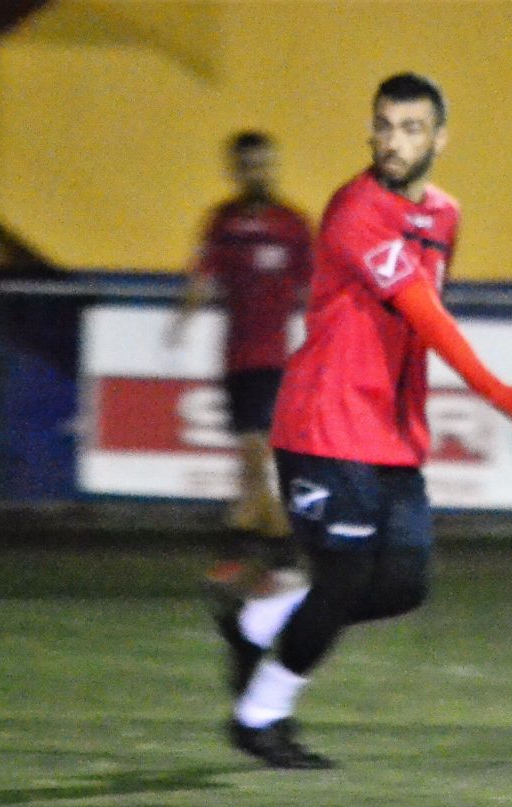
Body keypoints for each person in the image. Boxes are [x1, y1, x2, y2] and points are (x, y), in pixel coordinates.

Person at [214, 73, 512, 769]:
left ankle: (260, 617)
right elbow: (428, 317)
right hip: (326, 425)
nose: (393, 141)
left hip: (393, 436)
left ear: (439, 139)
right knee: (343, 579)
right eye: (384, 126)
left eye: (410, 128)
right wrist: (503, 396)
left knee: (404, 585)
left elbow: (421, 319)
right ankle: (260, 716)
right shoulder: (356, 210)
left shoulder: (446, 215)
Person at [168, 130, 314, 593]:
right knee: (250, 468)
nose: (258, 173)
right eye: (249, 166)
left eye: (264, 164)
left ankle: (260, 557)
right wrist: (182, 319)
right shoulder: (222, 223)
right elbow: (202, 275)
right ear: (235, 171)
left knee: (254, 461)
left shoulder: (292, 224)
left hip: (275, 361)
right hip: (235, 360)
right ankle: (257, 555)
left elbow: (314, 289)